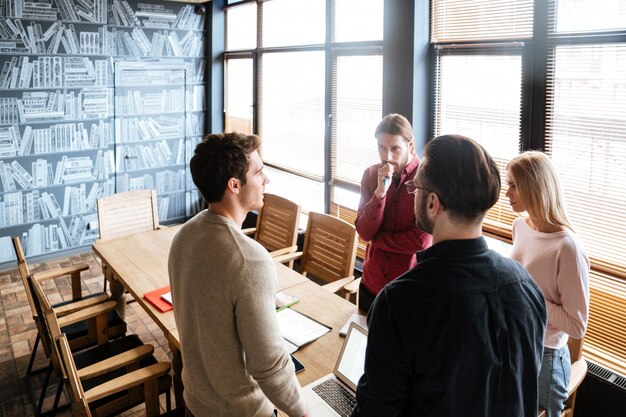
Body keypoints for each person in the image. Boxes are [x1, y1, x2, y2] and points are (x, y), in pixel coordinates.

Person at [353, 134, 547, 417]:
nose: (412, 192)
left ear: (433, 203)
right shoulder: (526, 286)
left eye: (415, 188)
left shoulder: (400, 302)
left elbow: (375, 411)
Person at [168, 132, 308, 417]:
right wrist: (303, 412)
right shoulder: (250, 260)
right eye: (259, 172)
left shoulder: (184, 235)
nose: (266, 179)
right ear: (234, 185)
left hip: (195, 404)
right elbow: (269, 365)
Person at [506, 151, 590, 417]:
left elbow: (576, 326)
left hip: (546, 358)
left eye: (513, 185)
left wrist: (531, 298)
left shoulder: (568, 248)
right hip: (514, 343)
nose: (506, 193)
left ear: (534, 187)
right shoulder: (520, 227)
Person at [355, 114, 432, 312]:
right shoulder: (371, 175)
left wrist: (378, 240)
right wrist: (379, 193)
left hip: (407, 290)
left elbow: (421, 240)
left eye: (395, 148)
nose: (387, 156)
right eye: (381, 147)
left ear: (411, 145)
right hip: (370, 284)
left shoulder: (427, 178)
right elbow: (364, 232)